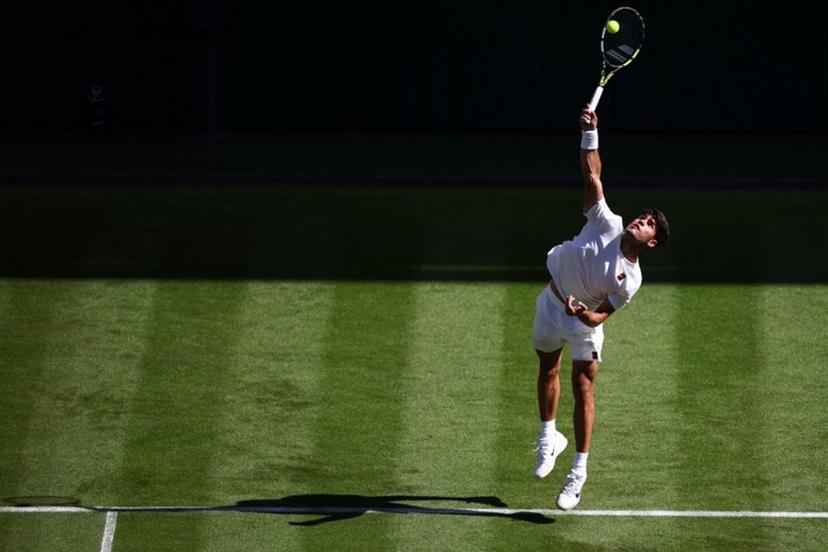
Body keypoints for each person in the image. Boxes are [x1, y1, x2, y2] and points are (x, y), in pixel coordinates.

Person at [531, 105, 670, 511]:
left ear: (652, 243)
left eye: (647, 224)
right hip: (549, 302)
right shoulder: (607, 221)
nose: (640, 221)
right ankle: (549, 438)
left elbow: (599, 317)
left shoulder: (632, 279)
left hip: (581, 322)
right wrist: (590, 133)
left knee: (584, 387)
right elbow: (592, 174)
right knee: (546, 369)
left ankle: (578, 470)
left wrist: (581, 314)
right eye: (642, 216)